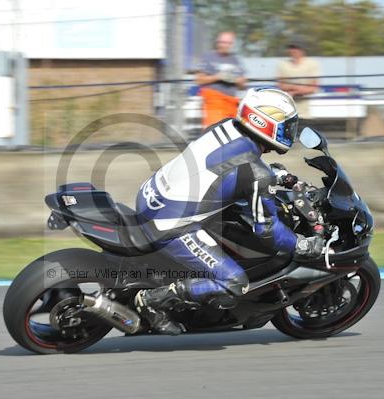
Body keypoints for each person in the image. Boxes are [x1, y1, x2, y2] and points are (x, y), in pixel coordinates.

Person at [134, 88, 325, 335]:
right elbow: (266, 230)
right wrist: (301, 245)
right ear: (267, 123)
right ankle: (151, 300)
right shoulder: (257, 174)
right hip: (169, 225)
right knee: (234, 282)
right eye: (288, 126)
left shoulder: (225, 127)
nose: (291, 131)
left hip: (150, 197)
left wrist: (277, 176)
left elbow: (224, 165)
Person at [195, 31, 247, 128]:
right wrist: (218, 77)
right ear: (217, 43)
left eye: (228, 43)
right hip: (214, 104)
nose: (225, 45)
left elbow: (243, 84)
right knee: (213, 131)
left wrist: (236, 79)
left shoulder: (235, 60)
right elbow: (199, 80)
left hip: (232, 104)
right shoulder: (208, 57)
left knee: (232, 133)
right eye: (223, 42)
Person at [277, 39, 321, 120]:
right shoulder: (283, 65)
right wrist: (299, 88)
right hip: (286, 113)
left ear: (302, 50)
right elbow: (281, 85)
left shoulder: (312, 64)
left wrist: (294, 91)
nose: (292, 50)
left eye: (295, 47)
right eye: (291, 48)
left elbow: (313, 87)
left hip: (305, 114)